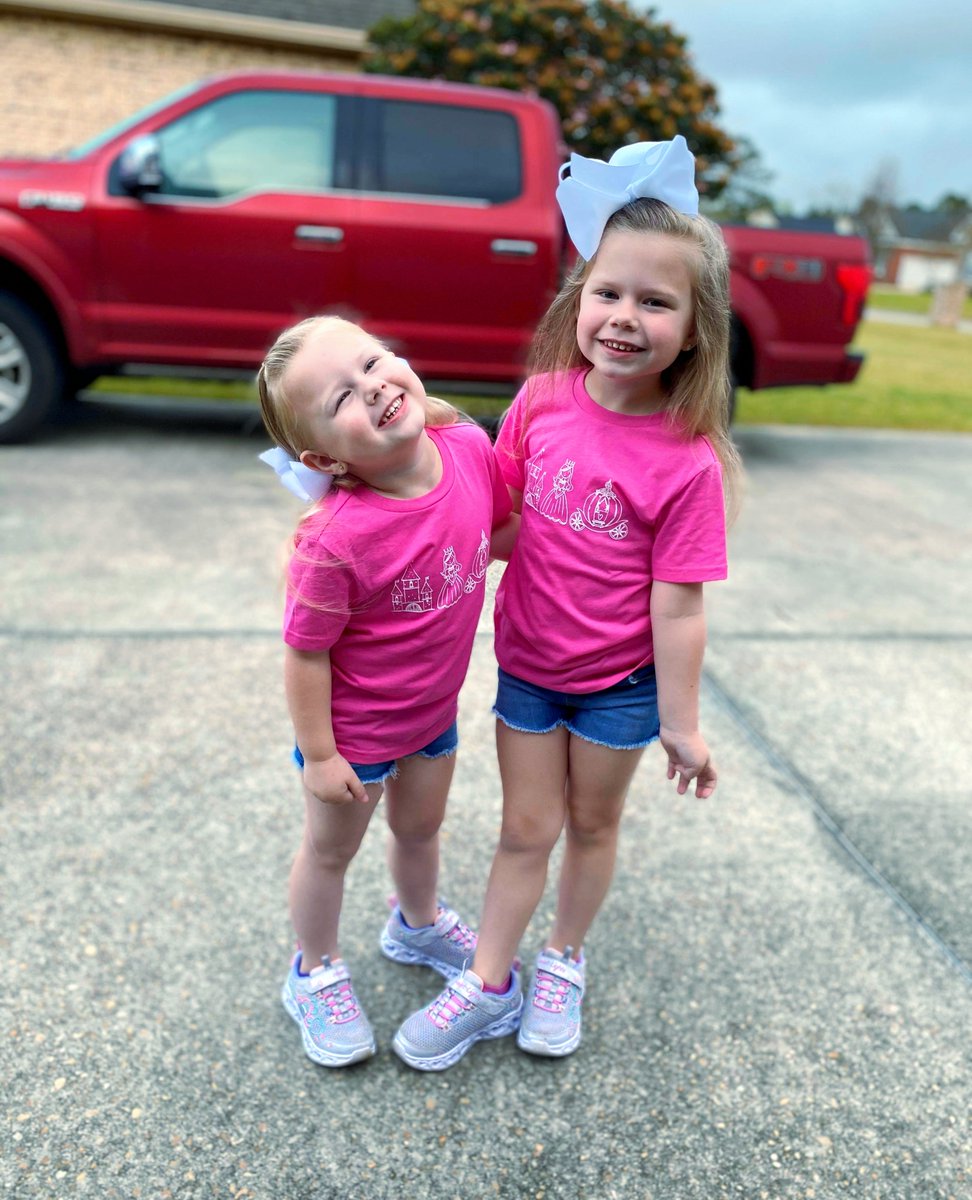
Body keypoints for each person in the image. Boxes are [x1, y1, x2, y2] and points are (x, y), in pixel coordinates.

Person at [393, 136, 741, 1071]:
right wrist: (410, 518)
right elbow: (497, 518)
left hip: (622, 686)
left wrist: (682, 722)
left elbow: (678, 607)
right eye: (609, 293)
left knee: (591, 825)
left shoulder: (688, 461)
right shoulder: (543, 400)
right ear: (578, 301)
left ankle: (563, 959)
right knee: (523, 829)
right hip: (531, 671)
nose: (626, 318)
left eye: (656, 301)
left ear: (696, 327)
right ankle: (492, 978)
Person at [257, 316, 513, 1067]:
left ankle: (418, 921)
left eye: (373, 363)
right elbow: (306, 655)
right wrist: (318, 754)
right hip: (354, 737)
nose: (372, 386)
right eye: (342, 397)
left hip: (433, 715)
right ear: (323, 458)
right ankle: (314, 968)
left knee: (421, 831)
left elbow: (495, 533)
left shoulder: (467, 450)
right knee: (329, 853)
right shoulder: (336, 540)